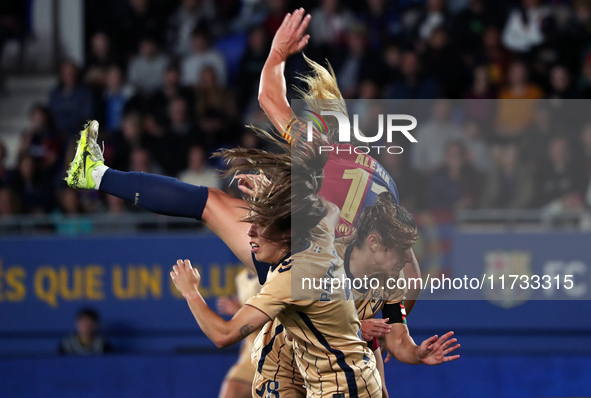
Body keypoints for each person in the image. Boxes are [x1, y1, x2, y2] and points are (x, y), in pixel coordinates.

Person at [171, 129, 383, 397]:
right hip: (360, 380)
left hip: (340, 389)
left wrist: (191, 292)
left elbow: (223, 335)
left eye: (261, 227)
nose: (249, 233)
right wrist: (273, 199)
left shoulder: (287, 280)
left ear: (286, 234)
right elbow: (329, 209)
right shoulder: (320, 237)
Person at [248, 193, 460, 398]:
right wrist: (356, 328)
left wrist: (417, 353)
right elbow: (297, 330)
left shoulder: (393, 278)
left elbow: (398, 338)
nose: (408, 258)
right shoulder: (322, 261)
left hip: (329, 371)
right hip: (284, 364)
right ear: (374, 242)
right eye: (403, 249)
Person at [217, 268, 261, 398]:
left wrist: (239, 311)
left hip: (269, 349)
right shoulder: (241, 278)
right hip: (250, 351)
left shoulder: (273, 274)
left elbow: (276, 318)